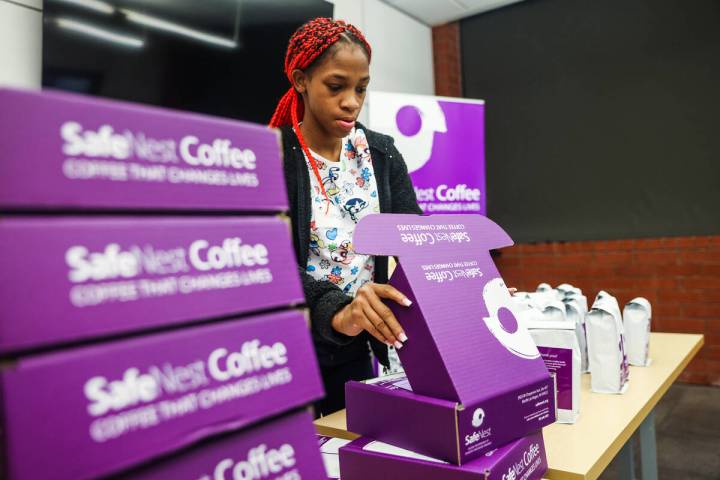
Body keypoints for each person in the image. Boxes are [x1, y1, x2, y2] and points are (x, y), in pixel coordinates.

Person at [268, 17, 422, 416]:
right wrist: (338, 309)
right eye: (336, 87)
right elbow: (269, 265)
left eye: (361, 88)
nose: (352, 101)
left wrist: (461, 284)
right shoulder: (274, 157)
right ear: (301, 80)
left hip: (357, 341)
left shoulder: (381, 153)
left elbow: (416, 239)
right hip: (291, 347)